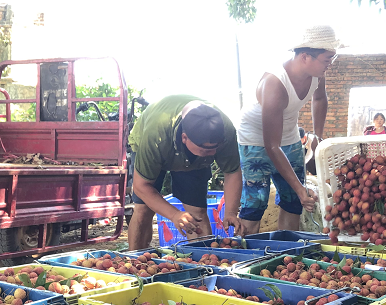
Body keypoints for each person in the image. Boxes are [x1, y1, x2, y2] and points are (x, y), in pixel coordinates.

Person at [237, 24, 340, 235]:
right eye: (327, 59)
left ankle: (285, 254)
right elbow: (271, 146)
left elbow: (319, 99)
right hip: (255, 140)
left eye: (332, 58)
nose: (330, 64)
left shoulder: (317, 74)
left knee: (293, 200)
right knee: (255, 203)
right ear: (305, 57)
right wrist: (302, 189)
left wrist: (317, 136)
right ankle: (245, 257)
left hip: (288, 135)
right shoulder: (275, 83)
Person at [127, 95, 242, 251]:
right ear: (184, 138)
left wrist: (230, 212)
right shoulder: (156, 137)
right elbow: (141, 186)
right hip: (154, 143)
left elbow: (232, 172)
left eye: (215, 148)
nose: (212, 153)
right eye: (205, 149)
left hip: (195, 162)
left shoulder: (225, 131)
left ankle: (204, 264)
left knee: (197, 214)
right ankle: (136, 261)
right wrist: (174, 215)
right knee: (143, 210)